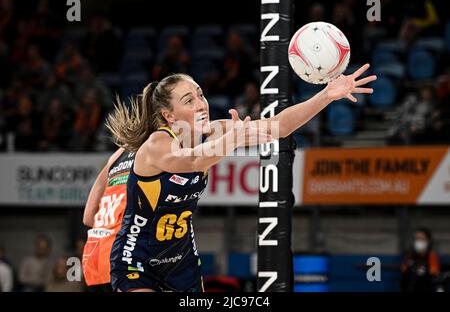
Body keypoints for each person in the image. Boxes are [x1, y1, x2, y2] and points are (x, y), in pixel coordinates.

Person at [106, 65, 376, 292]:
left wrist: (327, 95)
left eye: (200, 95)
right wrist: (233, 138)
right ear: (168, 115)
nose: (201, 104)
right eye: (189, 101)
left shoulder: (215, 132)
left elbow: (279, 127)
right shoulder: (157, 144)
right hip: (137, 258)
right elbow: (194, 160)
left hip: (182, 261)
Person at [82, 147, 135, 292]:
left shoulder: (117, 157)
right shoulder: (152, 151)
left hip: (93, 259)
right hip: (120, 257)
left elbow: (88, 218)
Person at [401, 227, 441, 292]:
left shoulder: (432, 257)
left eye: (421, 239)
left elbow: (434, 278)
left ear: (428, 241)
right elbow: (404, 279)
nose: (418, 242)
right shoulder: (409, 257)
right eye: (416, 239)